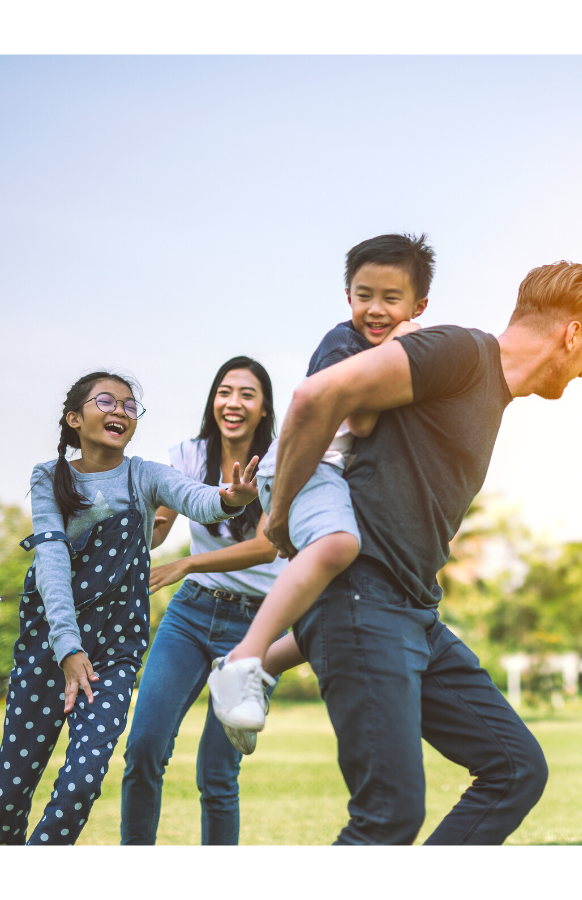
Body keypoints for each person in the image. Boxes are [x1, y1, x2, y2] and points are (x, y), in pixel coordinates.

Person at [260, 259, 582, 844]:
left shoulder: (490, 393)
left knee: (515, 768)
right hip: (365, 596)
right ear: (571, 333)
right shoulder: (461, 353)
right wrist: (280, 516)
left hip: (415, 614)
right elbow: (315, 394)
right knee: (388, 819)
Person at [0, 372, 259, 845]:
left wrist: (228, 500)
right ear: (74, 418)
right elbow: (52, 562)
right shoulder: (48, 477)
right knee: (8, 796)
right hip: (50, 644)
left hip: (114, 652)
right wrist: (66, 646)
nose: (120, 410)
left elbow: (196, 498)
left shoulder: (144, 475)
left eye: (130, 405)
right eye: (106, 401)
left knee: (81, 783)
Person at [207, 235, 431, 751]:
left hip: (330, 474)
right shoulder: (342, 344)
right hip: (303, 468)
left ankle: (248, 666)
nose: (374, 309)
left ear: (418, 305)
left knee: (343, 605)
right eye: (362, 294)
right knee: (337, 545)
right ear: (347, 294)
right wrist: (402, 343)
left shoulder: (390, 345)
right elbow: (362, 418)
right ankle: (244, 658)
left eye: (391, 299)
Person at [119, 356, 296, 845]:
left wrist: (187, 564)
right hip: (191, 615)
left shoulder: (282, 459)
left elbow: (267, 544)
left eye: (247, 394)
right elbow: (155, 533)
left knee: (217, 772)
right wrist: (121, 521)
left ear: (264, 409)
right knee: (143, 748)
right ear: (213, 400)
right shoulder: (189, 456)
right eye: (224, 391)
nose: (233, 402)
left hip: (258, 627)